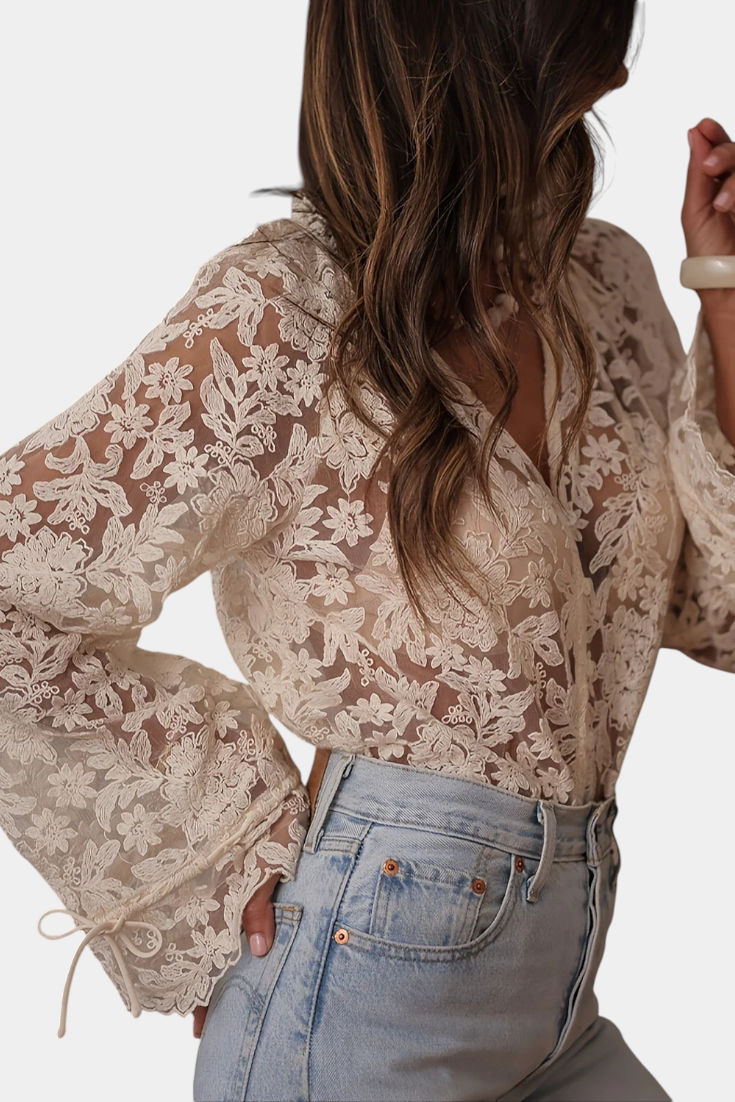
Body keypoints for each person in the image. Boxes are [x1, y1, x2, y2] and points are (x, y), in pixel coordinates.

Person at [2, 0, 735, 1098]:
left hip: (561, 1001)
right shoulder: (285, 311)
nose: (619, 47)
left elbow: (719, 613)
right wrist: (217, 860)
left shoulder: (604, 284)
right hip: (358, 1009)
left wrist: (725, 292)